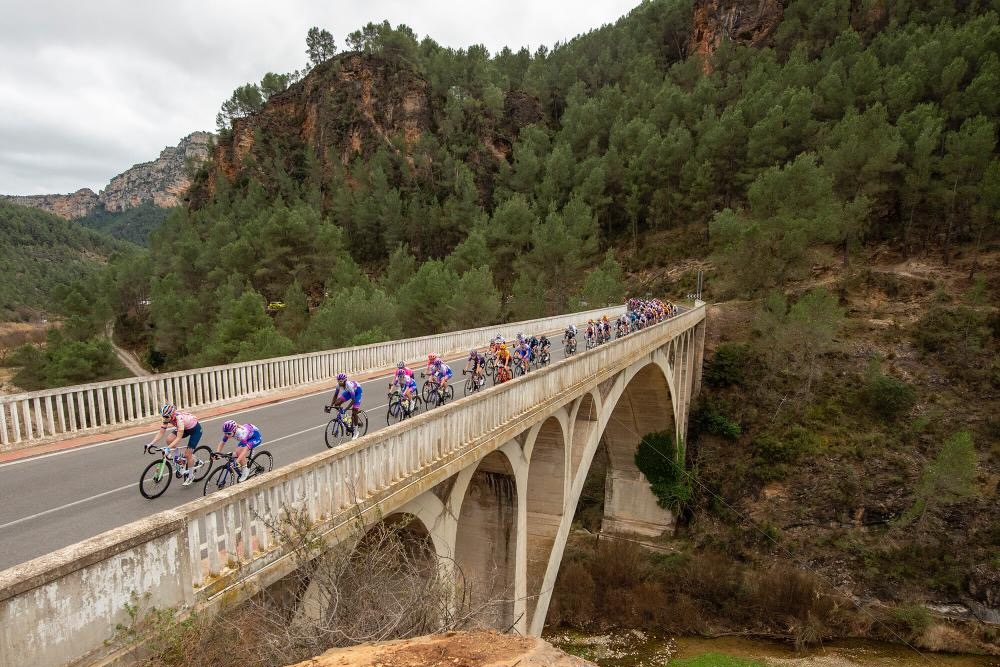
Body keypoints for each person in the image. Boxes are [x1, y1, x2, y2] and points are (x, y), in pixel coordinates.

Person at [148, 404, 204, 486]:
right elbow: (161, 432)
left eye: (166, 417)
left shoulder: (179, 419)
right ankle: (180, 459)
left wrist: (168, 448)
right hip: (183, 428)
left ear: (172, 415)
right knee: (169, 440)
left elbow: (178, 438)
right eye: (163, 416)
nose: (164, 418)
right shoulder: (167, 418)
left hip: (195, 430)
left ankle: (191, 476)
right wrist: (150, 443)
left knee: (188, 454)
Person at [326, 373, 363, 440]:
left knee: (354, 412)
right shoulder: (338, 385)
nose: (339, 383)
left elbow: (353, 400)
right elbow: (335, 396)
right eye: (338, 381)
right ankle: (345, 418)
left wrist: (346, 409)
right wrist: (330, 407)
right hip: (349, 392)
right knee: (336, 403)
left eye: (341, 381)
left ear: (345, 380)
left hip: (357, 392)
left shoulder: (349, 386)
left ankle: (356, 431)